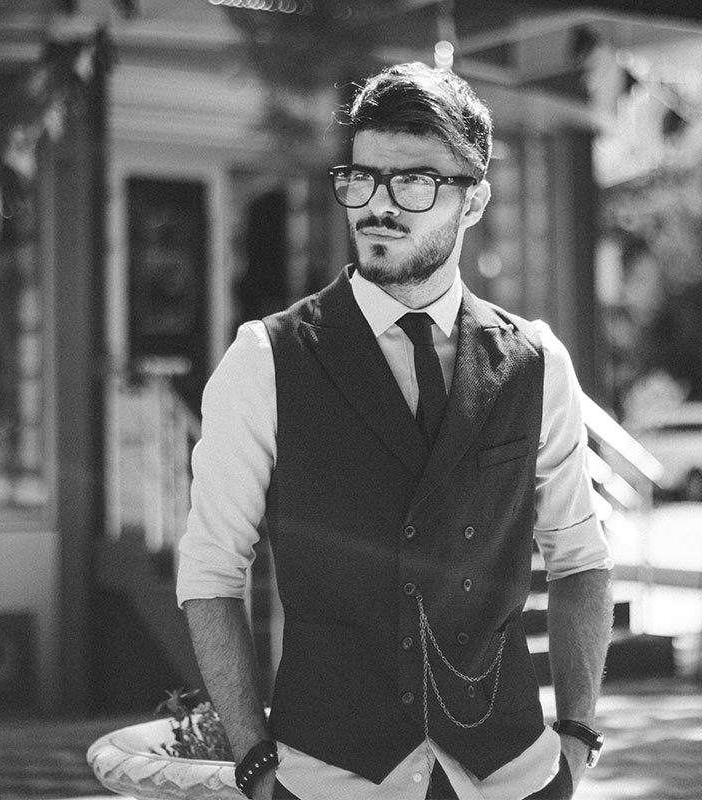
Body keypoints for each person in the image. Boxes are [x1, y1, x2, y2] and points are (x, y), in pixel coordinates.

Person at [177, 62, 614, 800]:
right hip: (329, 778)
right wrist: (255, 765)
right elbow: (211, 573)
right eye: (362, 178)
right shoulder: (266, 359)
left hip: (511, 776)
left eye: (413, 181)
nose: (377, 205)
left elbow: (581, 561)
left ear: (473, 200)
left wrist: (575, 742)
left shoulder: (536, 362)